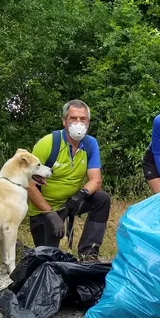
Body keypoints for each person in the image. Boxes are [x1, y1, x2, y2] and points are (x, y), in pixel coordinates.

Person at [27, 99, 111, 262]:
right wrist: (51, 214)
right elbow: (29, 185)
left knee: (102, 199)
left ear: (88, 122)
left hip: (70, 202)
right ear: (64, 121)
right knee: (49, 260)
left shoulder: (90, 144)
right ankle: (23, 251)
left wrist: (81, 194)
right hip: (44, 208)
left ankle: (88, 253)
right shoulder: (47, 144)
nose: (78, 123)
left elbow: (95, 180)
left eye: (83, 119)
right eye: (73, 118)